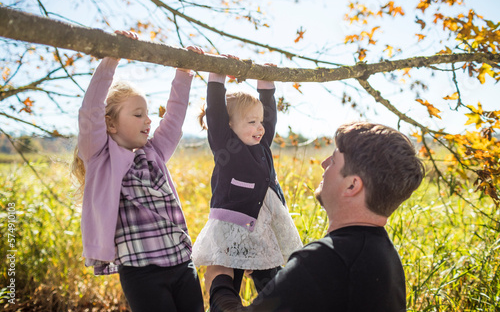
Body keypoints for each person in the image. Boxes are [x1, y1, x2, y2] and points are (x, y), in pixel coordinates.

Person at [205, 121, 425, 312]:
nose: (324, 163)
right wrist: (263, 273)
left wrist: (219, 279)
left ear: (352, 185)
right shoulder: (383, 255)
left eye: (335, 159)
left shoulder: (323, 258)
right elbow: (309, 296)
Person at [71, 30, 205, 312]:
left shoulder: (154, 152)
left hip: (182, 263)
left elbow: (174, 117)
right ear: (111, 124)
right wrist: (111, 59)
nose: (148, 120)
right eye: (138, 114)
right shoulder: (100, 157)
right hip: (141, 271)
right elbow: (90, 111)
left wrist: (184, 73)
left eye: (147, 113)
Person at [192, 55, 303, 295]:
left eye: (259, 121)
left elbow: (270, 118)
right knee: (230, 279)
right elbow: (216, 113)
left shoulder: (261, 143)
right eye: (251, 122)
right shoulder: (225, 146)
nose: (260, 127)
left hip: (264, 226)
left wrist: (265, 82)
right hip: (234, 225)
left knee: (270, 279)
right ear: (229, 124)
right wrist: (217, 75)